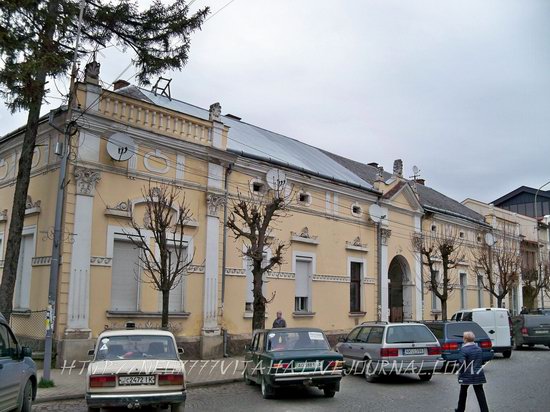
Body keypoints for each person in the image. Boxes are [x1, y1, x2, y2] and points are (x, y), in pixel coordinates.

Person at [455, 331, 489, 412]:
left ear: (465, 339)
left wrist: (460, 373)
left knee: (463, 392)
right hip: (478, 373)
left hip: (467, 374)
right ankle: (485, 410)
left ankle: (460, 409)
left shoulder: (463, 349)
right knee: (480, 393)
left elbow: (462, 363)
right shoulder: (479, 349)